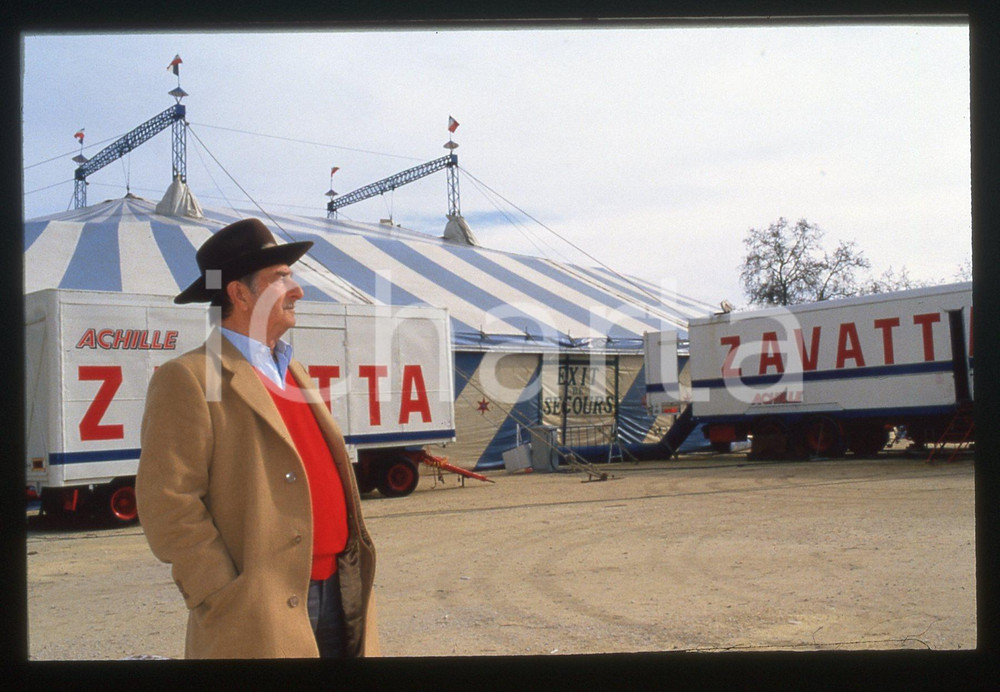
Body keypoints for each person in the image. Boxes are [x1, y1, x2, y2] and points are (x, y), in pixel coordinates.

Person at [135, 218, 378, 659]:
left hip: (340, 585)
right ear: (240, 294)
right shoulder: (189, 378)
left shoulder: (293, 370)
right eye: (281, 277)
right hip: (260, 606)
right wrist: (220, 591)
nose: (297, 289)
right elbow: (167, 503)